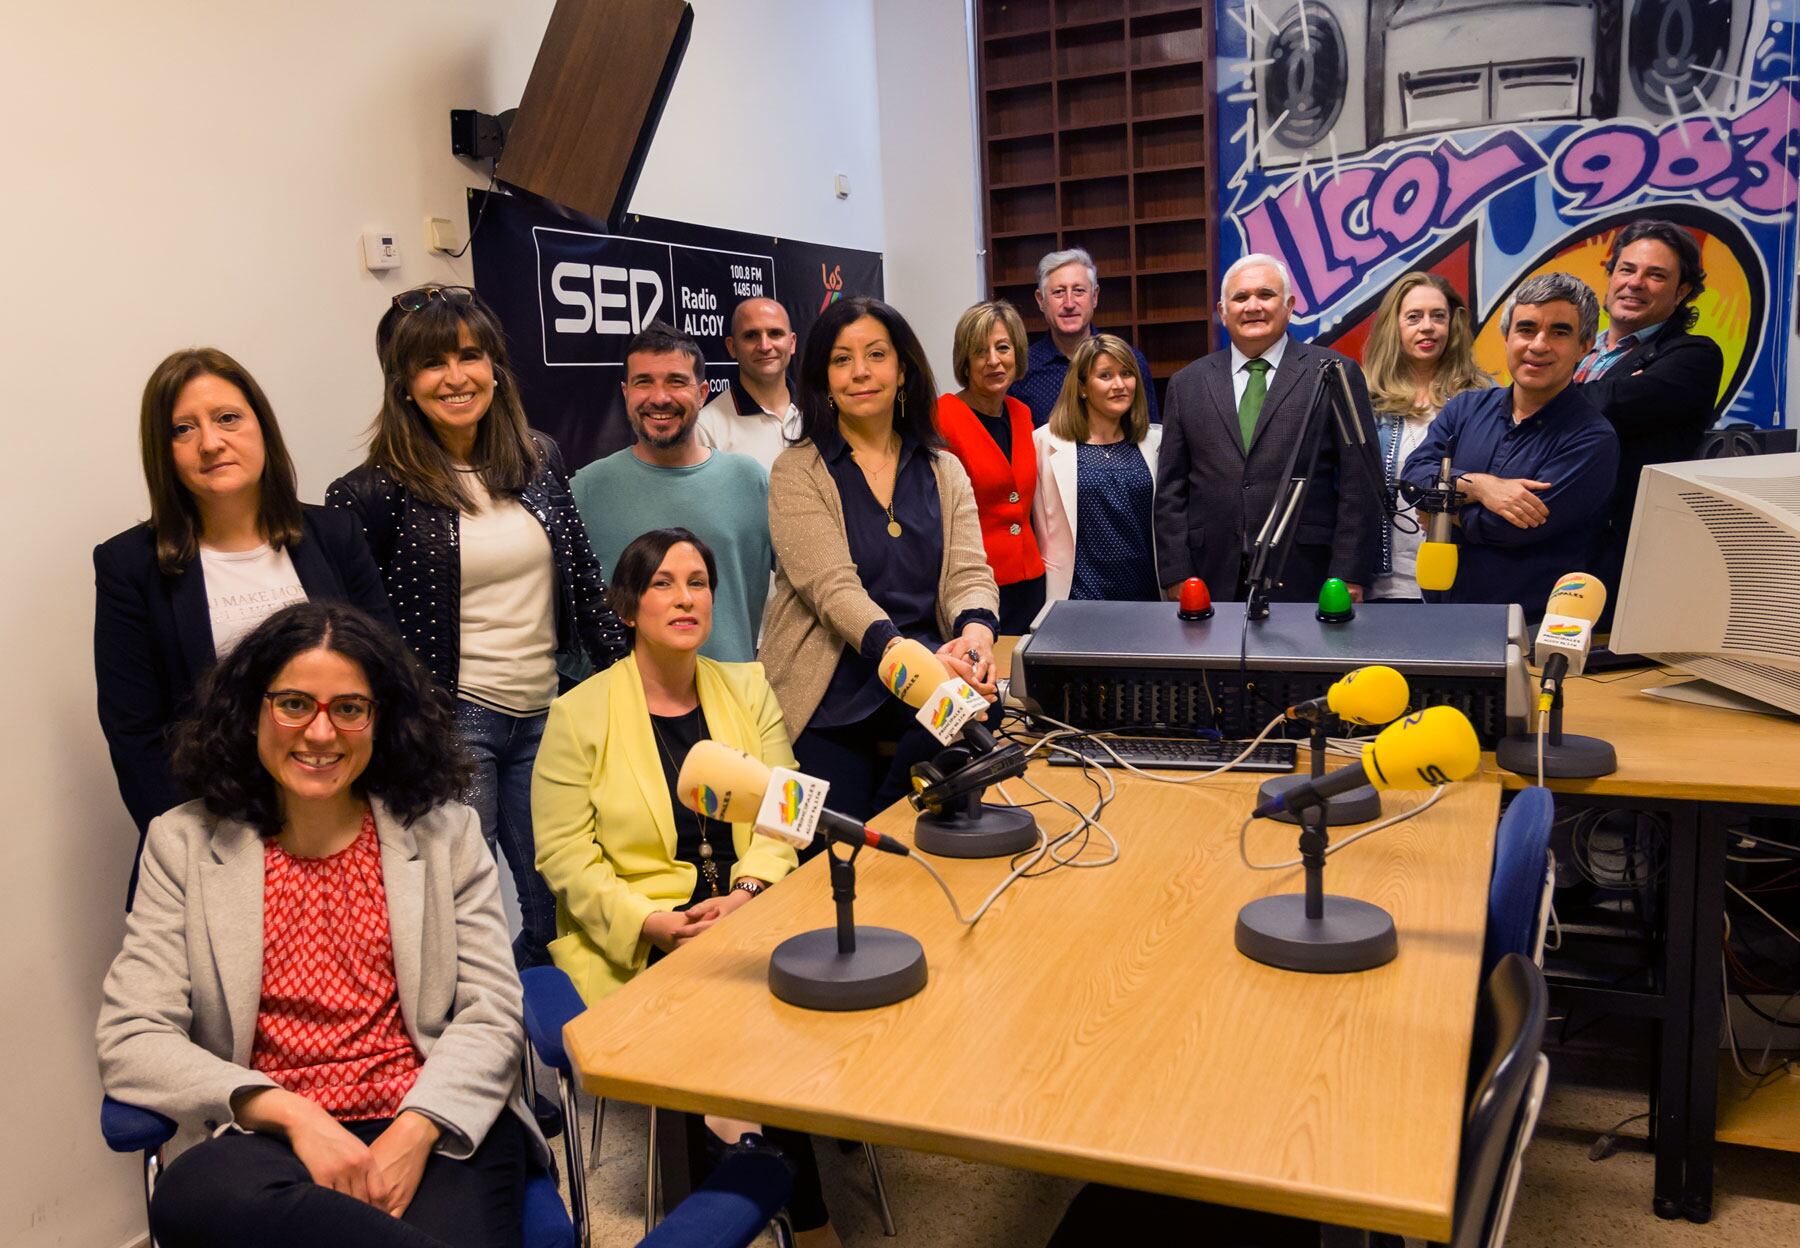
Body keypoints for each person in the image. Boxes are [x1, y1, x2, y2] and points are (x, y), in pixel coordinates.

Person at [97, 602, 546, 1248]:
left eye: (349, 708)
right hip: (267, 1140)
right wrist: (287, 1112)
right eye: (294, 704)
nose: (319, 732)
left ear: (381, 719)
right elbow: (133, 1035)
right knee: (188, 1195)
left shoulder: (446, 834)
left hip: (430, 1118)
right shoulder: (183, 844)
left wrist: (415, 1129)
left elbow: (492, 1011)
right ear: (251, 710)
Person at [531, 529, 841, 1247]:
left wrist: (748, 892)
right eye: (663, 584)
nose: (684, 598)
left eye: (698, 582)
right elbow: (565, 856)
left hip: (749, 910)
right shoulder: (579, 714)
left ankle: (738, 1174)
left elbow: (786, 811)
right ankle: (802, 1214)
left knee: (755, 998)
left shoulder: (748, 687)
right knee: (719, 1006)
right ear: (627, 606)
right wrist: (652, 922)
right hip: (643, 931)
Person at [327, 284, 628, 970]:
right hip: (451, 724)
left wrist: (633, 683)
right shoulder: (370, 493)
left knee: (559, 909)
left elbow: (585, 581)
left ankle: (548, 1033)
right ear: (403, 383)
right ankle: (480, 1035)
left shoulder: (539, 458)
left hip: (547, 714)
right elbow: (361, 643)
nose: (455, 377)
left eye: (469, 356)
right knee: (462, 914)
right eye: (432, 363)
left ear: (494, 366)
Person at [94, 348, 394, 906]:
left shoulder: (336, 536)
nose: (210, 442)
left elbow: (389, 683)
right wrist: (208, 852)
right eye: (183, 429)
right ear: (163, 451)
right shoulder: (129, 566)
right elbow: (135, 736)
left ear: (262, 428)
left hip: (344, 829)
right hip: (213, 840)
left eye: (227, 418)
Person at [761, 296, 999, 824]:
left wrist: (976, 638)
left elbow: (969, 573)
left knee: (982, 706)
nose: (860, 372)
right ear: (824, 379)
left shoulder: (944, 470)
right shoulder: (796, 472)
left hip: (929, 675)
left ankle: (887, 816)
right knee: (827, 847)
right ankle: (877, 823)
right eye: (841, 359)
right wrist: (908, 658)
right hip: (834, 687)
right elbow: (832, 589)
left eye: (875, 354)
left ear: (903, 370)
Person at [1153, 254, 1380, 603]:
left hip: (1308, 573)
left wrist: (1349, 573)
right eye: (1241, 297)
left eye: (1266, 295)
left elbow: (1359, 483)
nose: (1253, 306)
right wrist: (1176, 573)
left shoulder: (1334, 372)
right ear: (1222, 311)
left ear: (1289, 305)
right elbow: (1171, 490)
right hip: (1210, 574)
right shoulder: (1187, 384)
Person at [1399, 272, 1620, 618]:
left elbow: (1508, 528)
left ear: (1584, 345)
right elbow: (1413, 478)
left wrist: (1444, 511)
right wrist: (1480, 487)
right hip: (1440, 618)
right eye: (1526, 329)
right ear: (1507, 337)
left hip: (1529, 629)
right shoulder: (1465, 408)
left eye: (1559, 332)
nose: (1539, 345)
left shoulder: (1592, 439)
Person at [569, 322, 773, 664]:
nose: (659, 397)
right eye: (644, 382)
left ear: (702, 393)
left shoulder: (750, 481)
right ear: (626, 392)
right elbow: (558, 617)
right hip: (625, 695)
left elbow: (810, 585)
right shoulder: (585, 491)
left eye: (676, 382)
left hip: (733, 691)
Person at [1577, 220, 1724, 616]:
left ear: (1682, 292)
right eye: (1627, 269)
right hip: (1549, 551)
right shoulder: (1577, 354)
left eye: (1656, 275)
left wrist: (1546, 396)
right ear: (1610, 276)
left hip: (1621, 562)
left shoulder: (1693, 356)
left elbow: (1609, 405)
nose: (1636, 283)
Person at [1361, 273, 1494, 602]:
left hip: (1461, 580)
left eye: (1438, 316)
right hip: (1384, 584)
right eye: (1414, 317)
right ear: (1393, 326)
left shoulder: (1484, 398)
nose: (1428, 327)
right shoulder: (1365, 400)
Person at [936, 300, 1046, 633]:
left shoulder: (1022, 414)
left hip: (1031, 581)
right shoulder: (942, 417)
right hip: (976, 587)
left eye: (1003, 348)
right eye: (980, 351)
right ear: (965, 361)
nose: (994, 360)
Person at [1033, 335, 1164, 602]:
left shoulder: (1157, 442)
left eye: (1126, 374)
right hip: (1078, 599)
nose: (1119, 385)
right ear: (1082, 387)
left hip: (1146, 597)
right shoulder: (1044, 443)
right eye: (1105, 376)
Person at [1010, 247, 1159, 427]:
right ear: (1041, 300)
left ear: (1094, 296)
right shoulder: (1021, 369)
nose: (1069, 303)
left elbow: (1150, 434)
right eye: (1058, 292)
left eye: (1079, 290)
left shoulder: (1129, 362)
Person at [696, 296, 802, 473]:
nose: (765, 346)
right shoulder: (706, 428)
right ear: (732, 347)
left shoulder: (820, 412)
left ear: (791, 343)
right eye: (751, 336)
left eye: (775, 333)